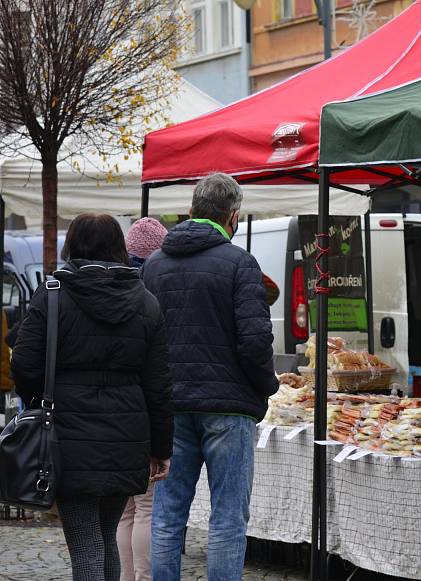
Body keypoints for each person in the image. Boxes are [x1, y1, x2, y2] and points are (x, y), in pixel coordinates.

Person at [11, 214, 173, 581]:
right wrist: (161, 447)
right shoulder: (146, 303)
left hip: (69, 435)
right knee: (104, 534)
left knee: (86, 541)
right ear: (119, 246)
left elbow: (23, 362)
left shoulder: (53, 298)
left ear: (74, 246)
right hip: (127, 436)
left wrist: (40, 401)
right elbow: (159, 384)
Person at [142, 173, 278, 581]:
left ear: (191, 210)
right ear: (233, 216)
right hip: (228, 407)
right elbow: (256, 343)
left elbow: (143, 343)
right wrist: (265, 388)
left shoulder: (153, 266)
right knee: (228, 518)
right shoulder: (240, 263)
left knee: (167, 516)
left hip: (171, 405)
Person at [113, 217, 169, 581]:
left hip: (114, 413)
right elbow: (159, 373)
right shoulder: (152, 297)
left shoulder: (112, 287)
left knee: (125, 511)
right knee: (147, 508)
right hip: (143, 414)